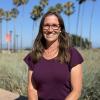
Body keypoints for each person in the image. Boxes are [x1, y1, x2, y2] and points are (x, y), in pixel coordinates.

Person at [24, 11, 84, 100]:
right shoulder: (34, 55)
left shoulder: (72, 54)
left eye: (54, 25)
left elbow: (76, 91)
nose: (50, 30)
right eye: (46, 25)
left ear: (60, 29)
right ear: (41, 28)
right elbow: (32, 89)